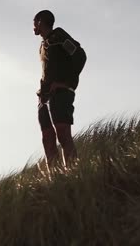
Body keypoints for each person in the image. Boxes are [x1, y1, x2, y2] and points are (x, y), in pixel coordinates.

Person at [33, 10, 86, 168]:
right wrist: (42, 93)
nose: (33, 26)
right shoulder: (42, 45)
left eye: (35, 22)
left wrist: (66, 83)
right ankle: (55, 179)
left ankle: (73, 172)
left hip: (61, 93)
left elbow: (80, 56)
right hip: (44, 97)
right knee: (47, 138)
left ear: (41, 21)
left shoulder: (59, 36)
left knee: (63, 134)